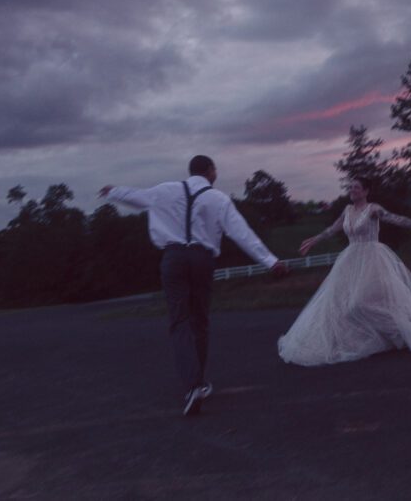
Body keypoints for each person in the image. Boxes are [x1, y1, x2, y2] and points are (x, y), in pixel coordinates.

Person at [100, 155, 288, 416]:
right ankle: (198, 382)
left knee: (179, 320)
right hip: (202, 260)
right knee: (200, 320)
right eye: (215, 169)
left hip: (173, 258)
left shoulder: (165, 190)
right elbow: (241, 232)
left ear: (191, 171)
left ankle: (193, 385)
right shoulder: (218, 198)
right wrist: (270, 261)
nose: (216, 173)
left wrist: (113, 192)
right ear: (209, 171)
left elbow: (136, 197)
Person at [278, 177, 411, 366]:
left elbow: (397, 219)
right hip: (351, 260)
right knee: (343, 303)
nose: (352, 190)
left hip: (373, 259)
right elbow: (332, 229)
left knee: (358, 303)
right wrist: (313, 240)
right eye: (351, 187)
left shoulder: (373, 209)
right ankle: (379, 337)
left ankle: (405, 331)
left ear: (366, 191)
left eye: (357, 187)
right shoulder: (347, 210)